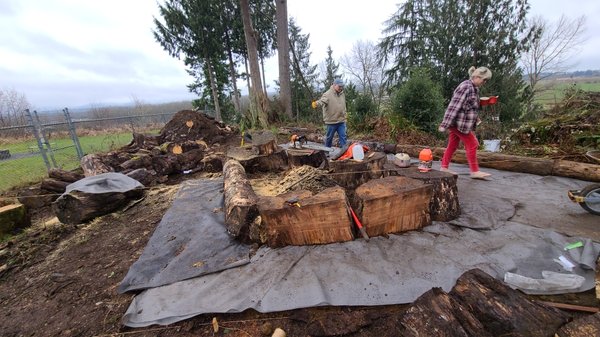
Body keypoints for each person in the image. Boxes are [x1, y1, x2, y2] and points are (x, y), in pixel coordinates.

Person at [438, 66, 492, 179]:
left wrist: (483, 103)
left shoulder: (474, 88)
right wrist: (444, 124)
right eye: (484, 80)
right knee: (473, 144)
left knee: (452, 145)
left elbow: (470, 106)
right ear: (477, 77)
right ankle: (474, 171)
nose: (485, 82)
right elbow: (453, 106)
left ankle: (444, 167)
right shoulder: (465, 87)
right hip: (458, 124)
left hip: (462, 123)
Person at [311, 78, 347, 148]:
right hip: (331, 121)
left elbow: (344, 105)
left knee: (343, 137)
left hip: (341, 120)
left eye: (342, 86)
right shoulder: (327, 94)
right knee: (329, 138)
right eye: (339, 86)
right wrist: (316, 103)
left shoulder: (342, 94)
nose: (341, 88)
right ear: (334, 85)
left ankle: (344, 152)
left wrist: (345, 114)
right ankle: (327, 151)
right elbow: (322, 101)